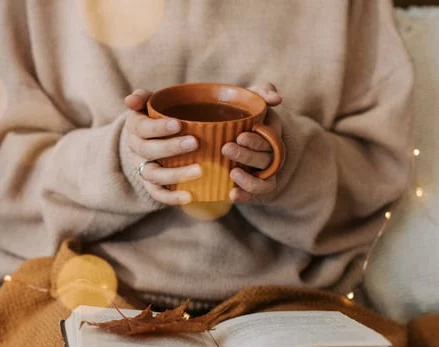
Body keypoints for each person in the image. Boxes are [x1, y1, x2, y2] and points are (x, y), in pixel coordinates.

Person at [0, 0, 414, 314]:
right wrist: (120, 162)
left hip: (285, 306)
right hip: (77, 294)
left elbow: (376, 172)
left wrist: (286, 162)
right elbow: (10, 175)